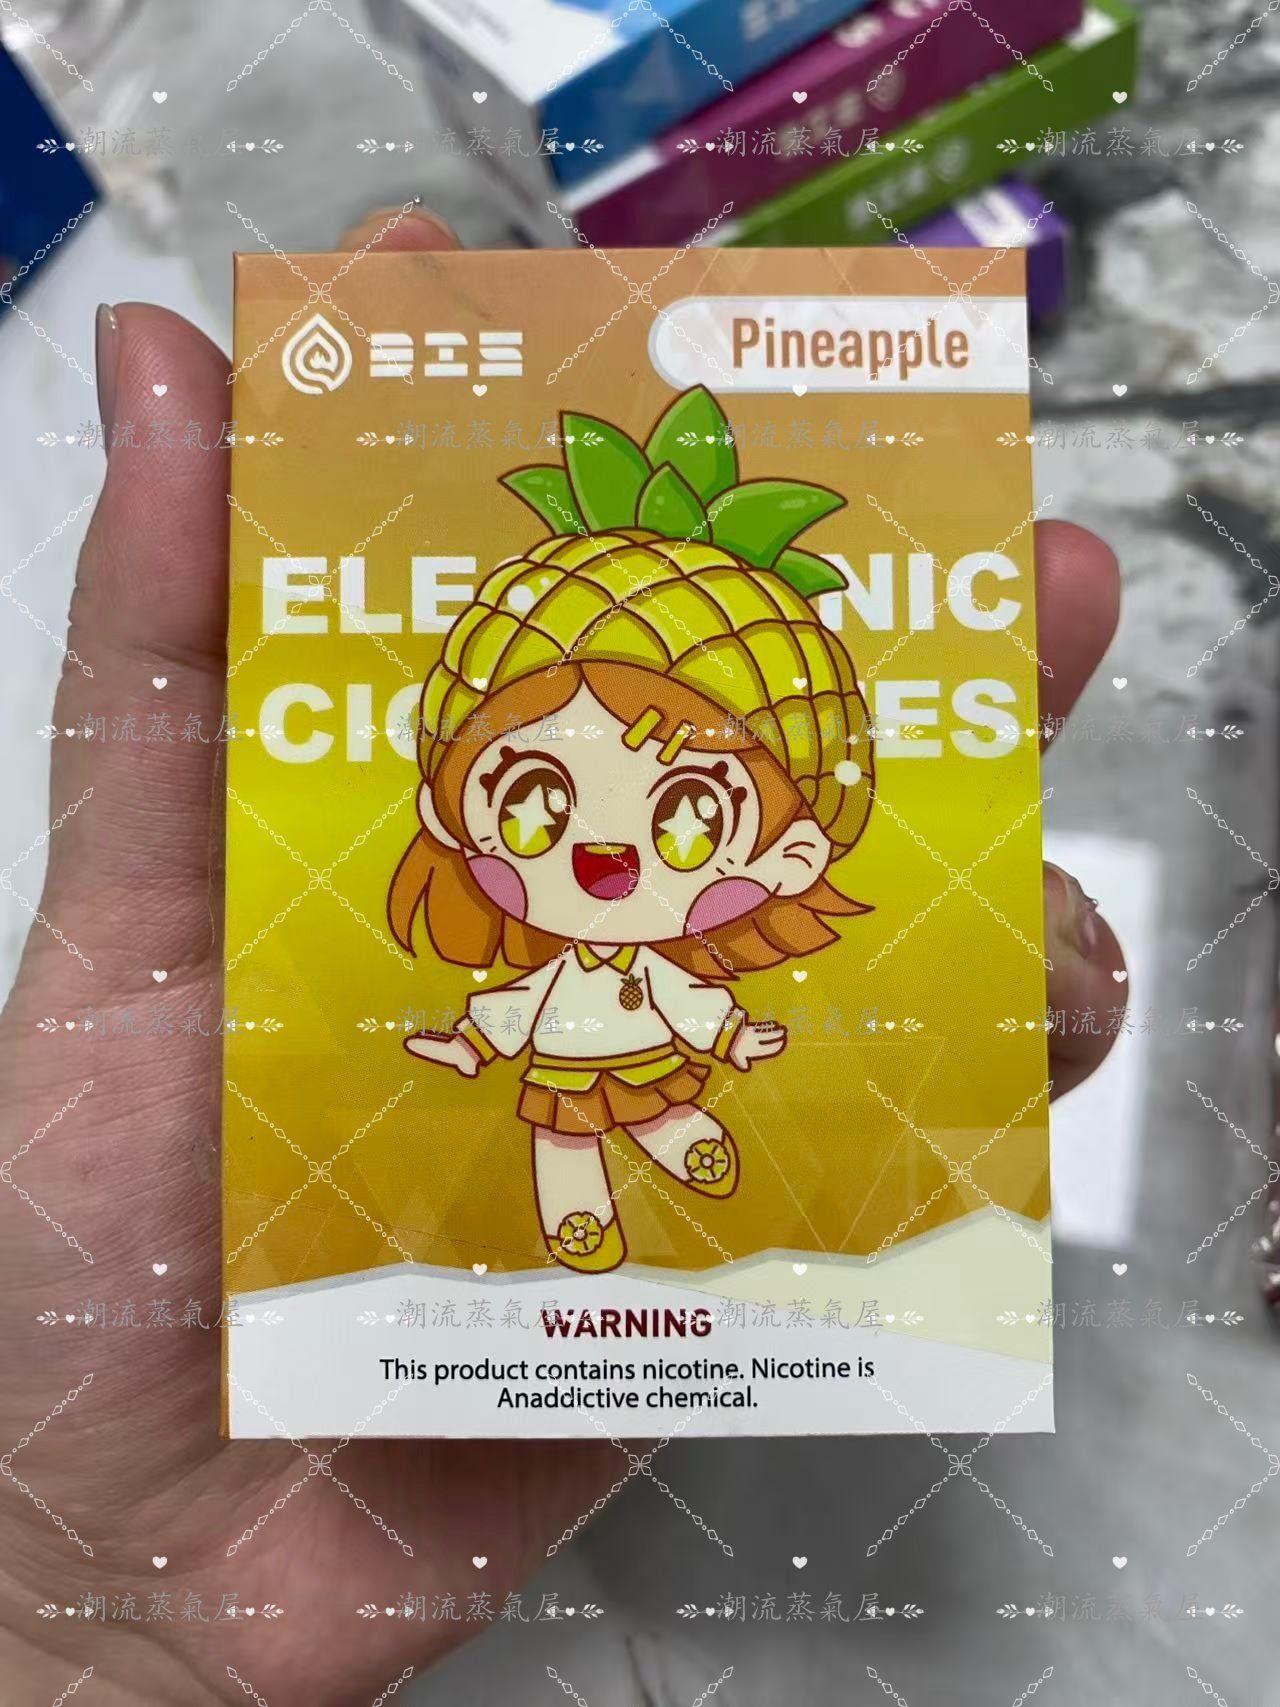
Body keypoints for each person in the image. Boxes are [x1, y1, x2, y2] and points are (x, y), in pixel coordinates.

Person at [0, 206, 1125, 1703]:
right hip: (541, 1082)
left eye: (687, 814)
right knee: (567, 1146)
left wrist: (64, 1621)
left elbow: (687, 1000)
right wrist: (53, 1600)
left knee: (669, 1088)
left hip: (649, 1052)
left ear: (787, 852)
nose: (601, 856)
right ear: (454, 806)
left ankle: (680, 1142)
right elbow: (516, 1007)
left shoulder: (679, 955)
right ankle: (600, 1208)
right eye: (537, 795)